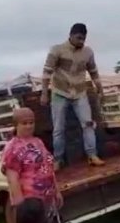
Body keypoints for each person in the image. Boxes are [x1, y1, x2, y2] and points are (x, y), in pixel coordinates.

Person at [41, 23, 105, 171]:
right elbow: (46, 73)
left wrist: (100, 89)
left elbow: (94, 72)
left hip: (80, 92)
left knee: (88, 124)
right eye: (78, 38)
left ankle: (92, 155)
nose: (81, 41)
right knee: (58, 128)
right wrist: (44, 93)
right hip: (60, 93)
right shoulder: (57, 50)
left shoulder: (88, 52)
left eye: (83, 38)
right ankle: (58, 160)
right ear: (70, 35)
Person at [1, 108, 63, 223]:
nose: (29, 126)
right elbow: (12, 179)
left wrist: (56, 191)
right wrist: (20, 206)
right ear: (16, 125)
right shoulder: (12, 148)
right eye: (24, 123)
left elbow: (48, 167)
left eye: (31, 122)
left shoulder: (38, 142)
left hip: (45, 199)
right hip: (30, 204)